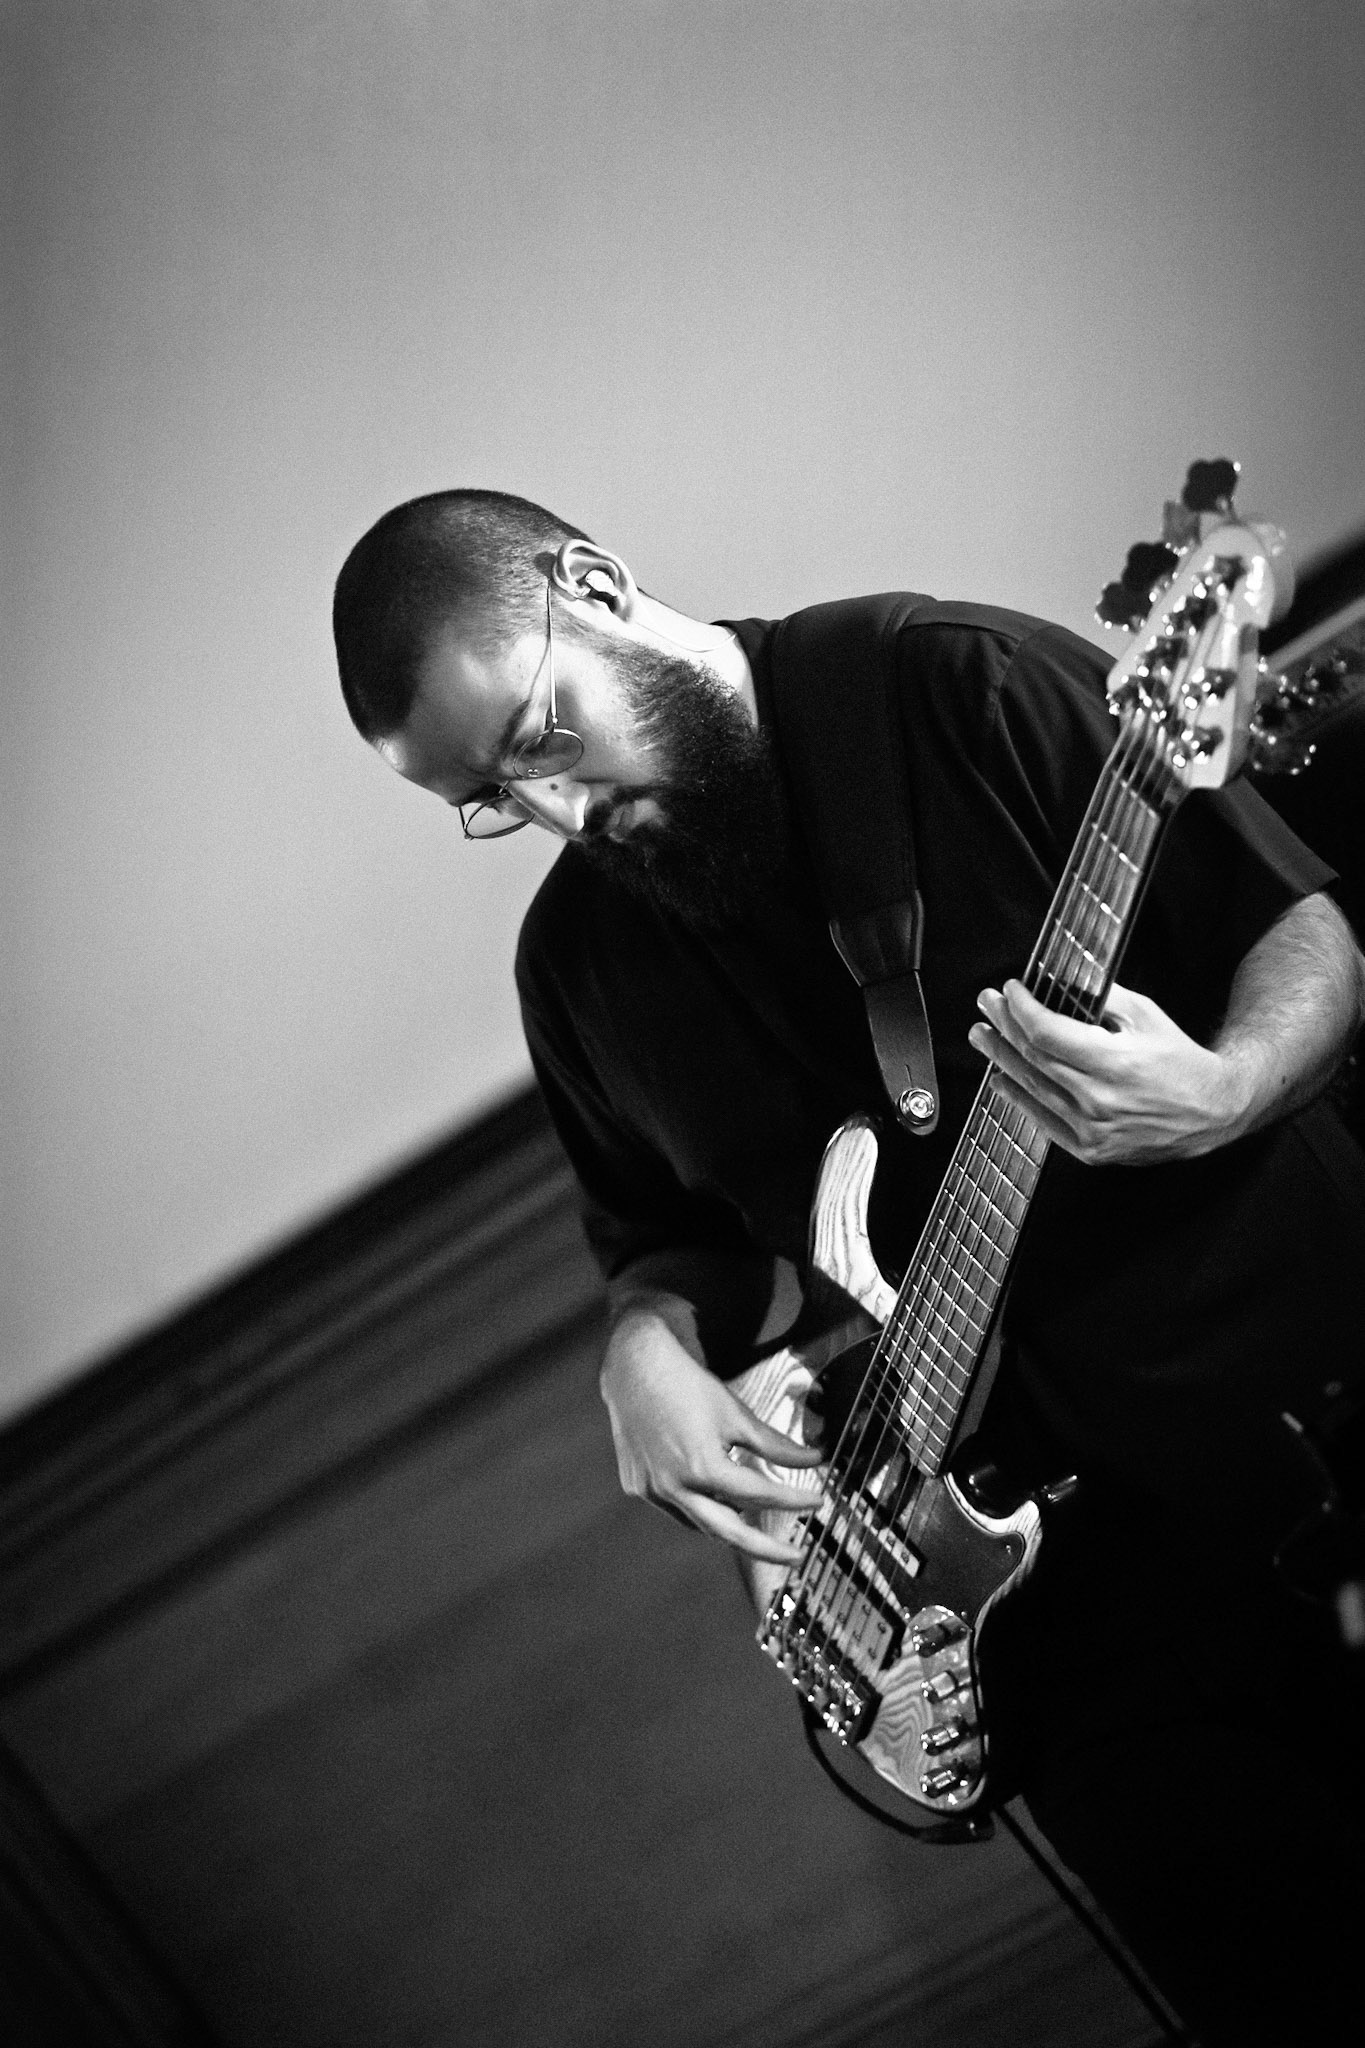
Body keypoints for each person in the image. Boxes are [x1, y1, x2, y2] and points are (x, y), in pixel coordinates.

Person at [334, 487, 1365, 2047]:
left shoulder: (943, 681)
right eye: (487, 798)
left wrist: (1224, 1082)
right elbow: (655, 1241)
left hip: (1304, 1420)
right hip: (1051, 1635)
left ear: (596, 586)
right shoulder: (578, 968)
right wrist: (642, 1353)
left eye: (537, 736)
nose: (551, 815)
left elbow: (1297, 928)